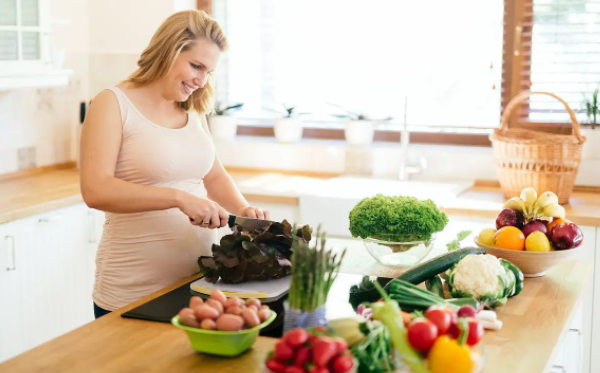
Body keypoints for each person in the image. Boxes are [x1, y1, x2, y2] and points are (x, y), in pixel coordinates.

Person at [79, 10, 269, 319]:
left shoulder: (193, 109)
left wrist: (243, 211)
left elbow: (215, 176)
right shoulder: (112, 103)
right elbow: (95, 190)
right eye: (196, 66)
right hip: (133, 290)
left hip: (200, 284)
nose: (201, 80)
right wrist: (178, 198)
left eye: (209, 71)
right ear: (169, 50)